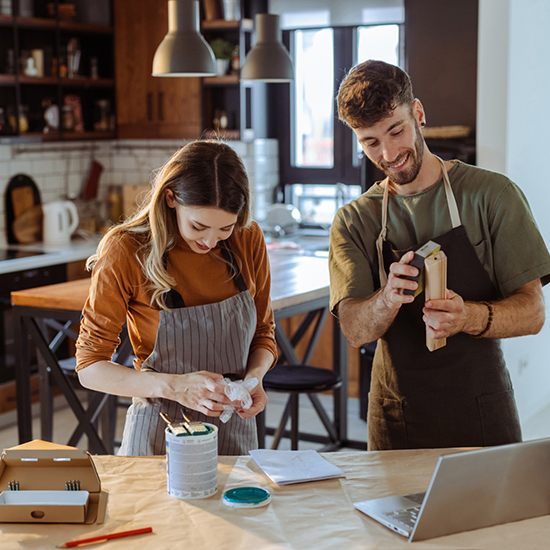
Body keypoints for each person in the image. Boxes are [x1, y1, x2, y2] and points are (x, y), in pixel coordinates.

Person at [330, 60, 550, 451]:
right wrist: (386, 299)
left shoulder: (492, 196)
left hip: (482, 406)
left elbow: (533, 313)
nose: (389, 152)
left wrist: (468, 316)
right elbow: (354, 330)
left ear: (418, 113)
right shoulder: (354, 220)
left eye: (396, 131)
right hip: (395, 413)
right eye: (371, 142)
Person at [76, 140, 277, 456]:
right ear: (170, 198)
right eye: (198, 226)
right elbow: (90, 368)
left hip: (232, 430)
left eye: (224, 228)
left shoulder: (247, 238)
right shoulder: (126, 251)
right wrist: (175, 387)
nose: (210, 240)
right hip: (159, 434)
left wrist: (253, 380)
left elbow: (264, 335)